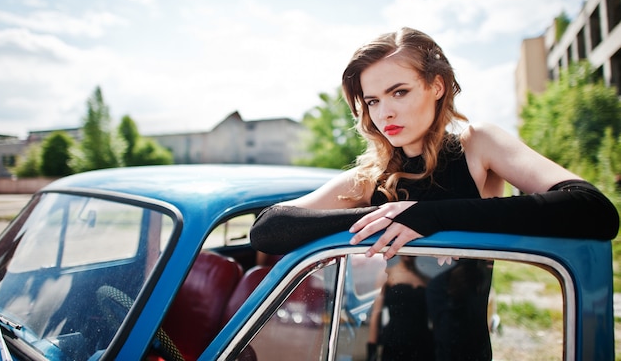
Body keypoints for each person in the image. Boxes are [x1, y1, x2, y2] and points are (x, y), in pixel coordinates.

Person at [250, 27, 619, 359]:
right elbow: (268, 229)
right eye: (373, 100)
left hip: (462, 349)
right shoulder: (373, 177)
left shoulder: (478, 145)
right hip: (387, 350)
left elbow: (593, 210)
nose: (385, 113)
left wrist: (434, 216)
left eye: (399, 92)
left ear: (437, 86)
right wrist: (385, 217)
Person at [367, 255, 434, 361]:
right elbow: (376, 314)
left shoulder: (427, 281)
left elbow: (435, 318)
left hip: (423, 343)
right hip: (395, 343)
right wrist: (371, 350)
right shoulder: (387, 275)